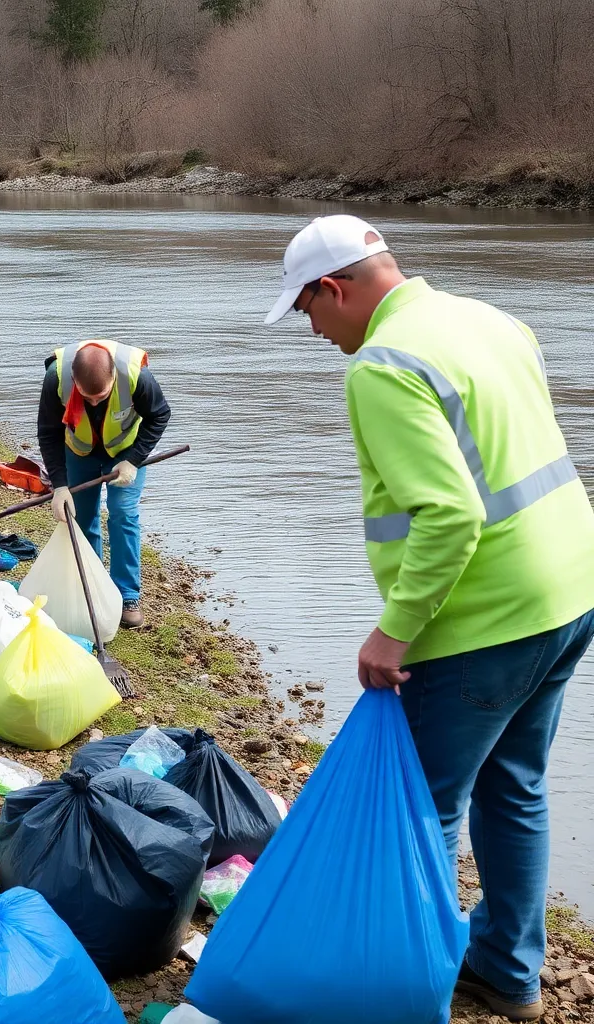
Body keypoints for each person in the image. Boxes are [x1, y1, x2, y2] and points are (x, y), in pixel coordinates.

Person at [265, 214, 594, 1022]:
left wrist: (394, 631)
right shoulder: (489, 317)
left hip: (479, 622)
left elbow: (449, 516)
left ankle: (402, 994)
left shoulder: (381, 367)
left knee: (423, 809)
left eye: (306, 310)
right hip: (568, 592)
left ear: (336, 289)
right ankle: (507, 974)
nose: (311, 330)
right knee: (515, 789)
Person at [37, 339, 171, 628]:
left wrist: (134, 459)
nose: (95, 402)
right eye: (88, 397)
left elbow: (160, 415)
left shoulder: (137, 377)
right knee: (81, 517)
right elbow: (48, 433)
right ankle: (95, 592)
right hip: (78, 449)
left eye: (102, 395)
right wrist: (59, 486)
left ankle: (126, 594)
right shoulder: (55, 380)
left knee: (122, 512)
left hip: (125, 448)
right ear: (75, 381)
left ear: (113, 378)